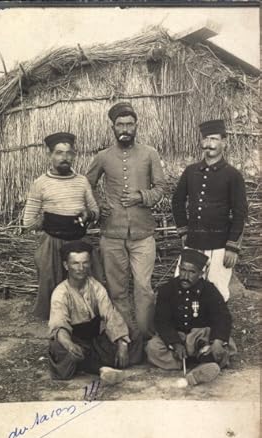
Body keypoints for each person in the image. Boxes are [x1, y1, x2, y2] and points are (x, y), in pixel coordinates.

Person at [86, 102, 164, 338]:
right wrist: (98, 206)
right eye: (120, 124)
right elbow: (86, 185)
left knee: (143, 288)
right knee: (117, 290)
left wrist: (142, 196)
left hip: (143, 234)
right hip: (111, 235)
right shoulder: (103, 157)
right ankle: (126, 338)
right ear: (112, 127)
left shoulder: (150, 153)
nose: (125, 129)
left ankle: (145, 336)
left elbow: (161, 188)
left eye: (130, 124)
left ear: (136, 126)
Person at [23, 132, 102, 321]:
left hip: (79, 241)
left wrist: (88, 215)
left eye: (68, 153)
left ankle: (86, 323)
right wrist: (50, 222)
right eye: (59, 153)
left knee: (87, 283)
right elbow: (28, 221)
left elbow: (95, 211)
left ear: (74, 155)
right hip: (53, 244)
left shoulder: (81, 181)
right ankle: (57, 329)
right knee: (52, 284)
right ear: (50, 155)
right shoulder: (40, 183)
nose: (64, 158)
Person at [172, 119, 248, 302]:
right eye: (206, 140)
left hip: (220, 245)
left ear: (224, 142)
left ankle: (214, 330)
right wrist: (183, 230)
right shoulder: (191, 172)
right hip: (194, 242)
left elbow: (240, 212)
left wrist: (232, 247)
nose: (209, 145)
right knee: (184, 287)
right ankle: (188, 329)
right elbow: (177, 201)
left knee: (217, 293)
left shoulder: (233, 175)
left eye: (214, 139)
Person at [48, 241, 143, 382]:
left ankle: (89, 365)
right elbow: (59, 326)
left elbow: (110, 315)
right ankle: (100, 368)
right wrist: (70, 345)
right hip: (74, 339)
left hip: (94, 342)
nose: (81, 268)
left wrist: (122, 344)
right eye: (75, 263)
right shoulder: (60, 293)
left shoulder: (95, 286)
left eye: (85, 263)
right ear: (66, 266)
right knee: (60, 348)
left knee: (134, 334)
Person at [145, 249, 237, 386]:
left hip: (200, 338)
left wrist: (217, 341)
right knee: (152, 348)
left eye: (192, 272)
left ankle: (202, 360)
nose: (185, 276)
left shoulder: (209, 290)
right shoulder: (167, 289)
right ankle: (202, 362)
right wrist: (175, 342)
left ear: (201, 274)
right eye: (182, 270)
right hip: (178, 338)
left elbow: (222, 317)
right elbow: (161, 321)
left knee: (226, 345)